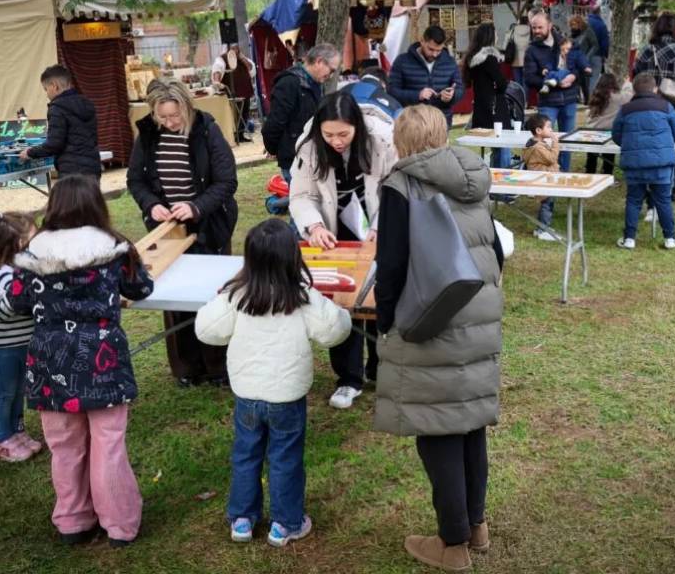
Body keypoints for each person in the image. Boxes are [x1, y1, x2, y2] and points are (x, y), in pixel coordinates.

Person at [373, 104, 504, 572]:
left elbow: (391, 265)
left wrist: (384, 321)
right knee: (468, 424)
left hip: (429, 316)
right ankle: (476, 526)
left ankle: (452, 543)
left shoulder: (401, 185)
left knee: (436, 428)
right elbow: (495, 248)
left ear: (401, 143)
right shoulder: (472, 176)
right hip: (478, 311)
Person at [8, 174, 154, 547]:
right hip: (102, 357)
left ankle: (73, 520)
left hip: (50, 359)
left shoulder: (33, 252)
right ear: (96, 205)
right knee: (109, 443)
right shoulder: (115, 247)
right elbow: (141, 287)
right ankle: (119, 524)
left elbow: (17, 300)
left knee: (64, 445)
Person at [195, 219, 351, 547]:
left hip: (247, 394)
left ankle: (242, 518)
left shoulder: (237, 295)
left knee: (246, 454)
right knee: (285, 458)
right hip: (287, 396)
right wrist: (338, 309)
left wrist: (219, 298)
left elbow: (206, 329)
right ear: (294, 257)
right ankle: (285, 523)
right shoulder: (302, 297)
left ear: (249, 258)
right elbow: (335, 330)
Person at [289, 92, 398, 408]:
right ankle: (349, 378)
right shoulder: (309, 146)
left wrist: (381, 225)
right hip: (334, 233)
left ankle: (380, 367)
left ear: (357, 127)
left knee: (379, 297)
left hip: (376, 227)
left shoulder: (383, 141)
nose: (336, 141)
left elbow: (395, 189)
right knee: (340, 303)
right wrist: (314, 226)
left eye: (343, 134)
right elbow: (302, 195)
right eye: (329, 135)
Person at [127, 78, 239, 387]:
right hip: (168, 230)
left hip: (209, 225)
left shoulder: (207, 130)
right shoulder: (148, 134)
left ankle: (218, 366)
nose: (170, 122)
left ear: (187, 107)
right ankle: (187, 367)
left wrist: (196, 207)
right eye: (163, 117)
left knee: (212, 294)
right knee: (175, 296)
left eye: (175, 115)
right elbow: (135, 180)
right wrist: (152, 205)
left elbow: (227, 182)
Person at [0, 210, 42, 463]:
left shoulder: (29, 271)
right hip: (4, 349)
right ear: (18, 244)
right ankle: (2, 440)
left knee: (20, 390)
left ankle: (18, 431)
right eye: (32, 241)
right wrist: (11, 302)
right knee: (5, 393)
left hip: (26, 344)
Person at [613, 73, 675, 251]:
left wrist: (630, 146)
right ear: (655, 89)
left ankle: (629, 239)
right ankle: (670, 238)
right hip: (661, 162)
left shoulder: (625, 109)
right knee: (663, 200)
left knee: (633, 200)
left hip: (634, 163)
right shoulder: (666, 106)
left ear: (634, 90)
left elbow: (616, 135)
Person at [632, 12, 675, 198]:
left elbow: (636, 77)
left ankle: (661, 185)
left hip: (649, 106)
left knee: (656, 145)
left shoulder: (646, 51)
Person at [262, 43, 340, 181]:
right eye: (331, 70)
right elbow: (274, 123)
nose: (331, 75)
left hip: (313, 157)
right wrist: (278, 150)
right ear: (319, 61)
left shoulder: (316, 84)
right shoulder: (289, 83)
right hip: (295, 160)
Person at [524, 8, 589, 171]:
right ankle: (547, 178)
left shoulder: (567, 44)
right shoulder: (531, 50)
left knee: (567, 142)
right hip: (548, 102)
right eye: (534, 27)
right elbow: (530, 78)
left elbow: (579, 68)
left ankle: (564, 175)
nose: (536, 31)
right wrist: (552, 82)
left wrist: (573, 76)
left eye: (540, 27)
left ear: (550, 26)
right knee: (544, 140)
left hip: (569, 100)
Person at [19, 65, 101, 177]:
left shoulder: (57, 108)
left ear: (54, 86)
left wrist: (30, 152)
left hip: (71, 171)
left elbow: (54, 144)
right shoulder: (87, 103)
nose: (47, 94)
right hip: (93, 167)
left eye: (46, 89)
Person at [388, 25, 463, 127]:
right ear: (422, 41)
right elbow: (391, 91)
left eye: (439, 50)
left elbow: (459, 88)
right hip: (412, 123)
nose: (435, 54)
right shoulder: (402, 61)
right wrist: (417, 95)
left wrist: (452, 95)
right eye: (431, 49)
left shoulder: (450, 62)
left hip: (441, 122)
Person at [463, 23, 511, 168]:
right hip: (495, 106)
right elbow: (501, 83)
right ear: (490, 36)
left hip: (481, 105)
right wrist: (502, 83)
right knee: (503, 145)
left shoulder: (473, 58)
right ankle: (501, 175)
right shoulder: (489, 59)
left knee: (492, 145)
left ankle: (493, 173)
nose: (497, 37)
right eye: (495, 34)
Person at [522, 114, 560, 241]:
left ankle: (542, 227)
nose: (551, 130)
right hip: (543, 179)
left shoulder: (537, 143)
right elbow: (551, 158)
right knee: (547, 204)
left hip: (544, 178)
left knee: (547, 202)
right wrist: (555, 143)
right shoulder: (538, 148)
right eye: (548, 127)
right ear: (538, 130)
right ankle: (542, 230)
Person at [585, 73, 632, 175]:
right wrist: (627, 83)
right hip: (608, 132)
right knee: (609, 156)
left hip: (592, 131)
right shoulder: (617, 97)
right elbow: (629, 95)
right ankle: (607, 174)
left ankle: (590, 173)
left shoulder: (595, 94)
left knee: (591, 156)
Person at [211, 44, 256, 141]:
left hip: (245, 91)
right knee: (234, 115)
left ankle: (240, 135)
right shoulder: (222, 59)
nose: (235, 50)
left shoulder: (242, 58)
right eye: (233, 48)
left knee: (244, 113)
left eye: (237, 48)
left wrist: (243, 59)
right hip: (231, 92)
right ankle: (233, 136)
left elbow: (251, 69)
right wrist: (217, 81)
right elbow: (217, 70)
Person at [569, 15, 600, 100]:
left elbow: (595, 45)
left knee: (585, 85)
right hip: (574, 62)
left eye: (574, 24)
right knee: (575, 83)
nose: (572, 27)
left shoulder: (588, 31)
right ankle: (577, 99)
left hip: (584, 62)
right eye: (571, 25)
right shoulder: (572, 34)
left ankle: (587, 101)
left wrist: (587, 57)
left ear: (579, 23)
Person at [587, 5, 610, 93]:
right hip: (596, 55)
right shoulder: (601, 25)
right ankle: (589, 97)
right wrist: (605, 55)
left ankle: (582, 97)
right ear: (599, 12)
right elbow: (605, 43)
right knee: (593, 78)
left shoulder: (584, 23)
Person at [509, 16, 532, 90]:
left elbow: (506, 43)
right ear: (528, 22)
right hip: (527, 60)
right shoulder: (531, 31)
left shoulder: (513, 30)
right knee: (526, 83)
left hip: (515, 60)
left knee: (517, 83)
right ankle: (525, 97)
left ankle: (519, 97)